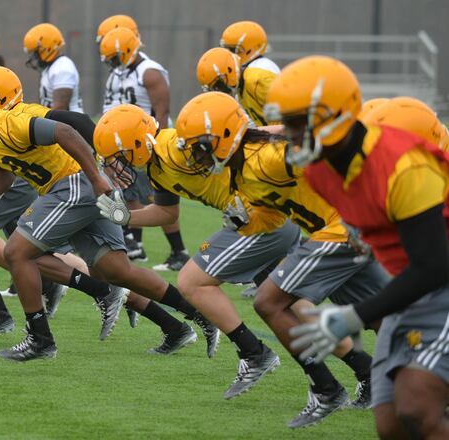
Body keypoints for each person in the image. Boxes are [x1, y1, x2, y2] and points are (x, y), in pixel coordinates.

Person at [0, 82, 214, 361]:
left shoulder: (9, 123)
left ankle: (40, 339)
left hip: (72, 183)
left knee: (17, 252)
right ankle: (185, 322)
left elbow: (65, 130)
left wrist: (95, 178)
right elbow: (5, 172)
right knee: (116, 270)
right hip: (73, 186)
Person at [175, 91, 387, 428]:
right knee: (386, 317)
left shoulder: (266, 158)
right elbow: (273, 219)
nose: (196, 157)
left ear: (227, 135)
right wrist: (246, 221)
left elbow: (323, 151)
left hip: (341, 229)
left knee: (269, 301)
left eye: (201, 146)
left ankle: (326, 389)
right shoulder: (244, 167)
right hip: (339, 231)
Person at [267, 55, 449, 439]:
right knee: (391, 425)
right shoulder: (319, 170)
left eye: (299, 122)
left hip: (439, 281)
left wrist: (355, 315)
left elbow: (433, 266)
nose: (290, 132)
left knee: (417, 407)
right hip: (414, 286)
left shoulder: (403, 165)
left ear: (334, 115)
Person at [96, 103, 294, 393]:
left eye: (118, 157)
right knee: (292, 308)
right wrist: (126, 217)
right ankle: (344, 379)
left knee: (191, 280)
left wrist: (300, 131)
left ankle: (255, 354)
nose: (115, 166)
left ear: (138, 144)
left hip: (264, 213)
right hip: (250, 220)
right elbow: (167, 214)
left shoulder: (172, 149)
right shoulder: (157, 167)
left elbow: (245, 135)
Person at [98, 26, 189, 272]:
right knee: (134, 194)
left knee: (154, 198)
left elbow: (162, 112)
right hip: (127, 143)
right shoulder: (119, 73)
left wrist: (154, 147)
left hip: (147, 145)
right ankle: (135, 242)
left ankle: (177, 251)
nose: (113, 63)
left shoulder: (149, 72)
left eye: (115, 57)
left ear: (126, 50)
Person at [218, 21, 280, 126]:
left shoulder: (259, 74)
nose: (228, 55)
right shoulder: (244, 74)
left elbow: (285, 120)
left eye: (233, 50)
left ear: (250, 48)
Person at [22, 23, 83, 112]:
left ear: (47, 48)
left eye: (36, 52)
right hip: (62, 123)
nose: (34, 57)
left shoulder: (62, 67)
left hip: (70, 124)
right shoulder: (51, 68)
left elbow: (60, 109)